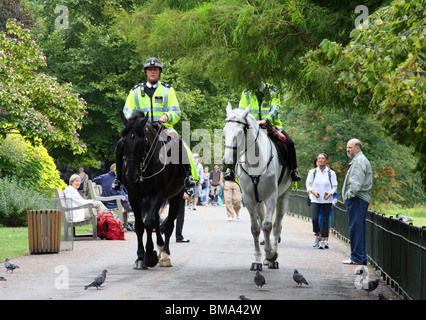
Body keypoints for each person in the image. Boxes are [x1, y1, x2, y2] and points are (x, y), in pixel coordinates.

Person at [111, 57, 195, 191]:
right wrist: (135, 122)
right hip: (140, 128)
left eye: (155, 70)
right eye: (150, 70)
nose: (152, 72)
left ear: (159, 72)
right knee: (121, 143)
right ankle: (118, 179)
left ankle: (188, 176)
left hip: (162, 127)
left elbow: (176, 111)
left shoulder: (168, 90)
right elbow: (127, 110)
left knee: (178, 141)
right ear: (146, 72)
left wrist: (167, 116)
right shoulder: (135, 91)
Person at [238, 83, 301, 182]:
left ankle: (293, 170)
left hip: (271, 126)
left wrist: (265, 120)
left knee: (289, 142)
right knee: (236, 142)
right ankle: (231, 170)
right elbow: (241, 110)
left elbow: (275, 108)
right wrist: (251, 122)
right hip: (251, 127)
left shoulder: (273, 90)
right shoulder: (246, 92)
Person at [342, 139, 373, 265]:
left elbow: (356, 181)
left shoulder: (359, 161)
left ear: (358, 148)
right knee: (358, 228)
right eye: (347, 147)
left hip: (357, 199)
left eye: (350, 147)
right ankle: (359, 257)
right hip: (359, 199)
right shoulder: (359, 160)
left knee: (356, 229)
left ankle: (357, 258)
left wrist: (350, 195)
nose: (348, 149)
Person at [306, 152, 338, 249]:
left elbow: (334, 186)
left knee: (325, 220)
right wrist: (313, 192)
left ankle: (324, 240)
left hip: (327, 200)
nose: (320, 160)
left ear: (327, 161)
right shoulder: (313, 172)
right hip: (316, 199)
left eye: (323, 158)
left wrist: (330, 194)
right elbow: (308, 184)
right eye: (319, 158)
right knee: (315, 219)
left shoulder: (330, 173)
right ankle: (318, 234)